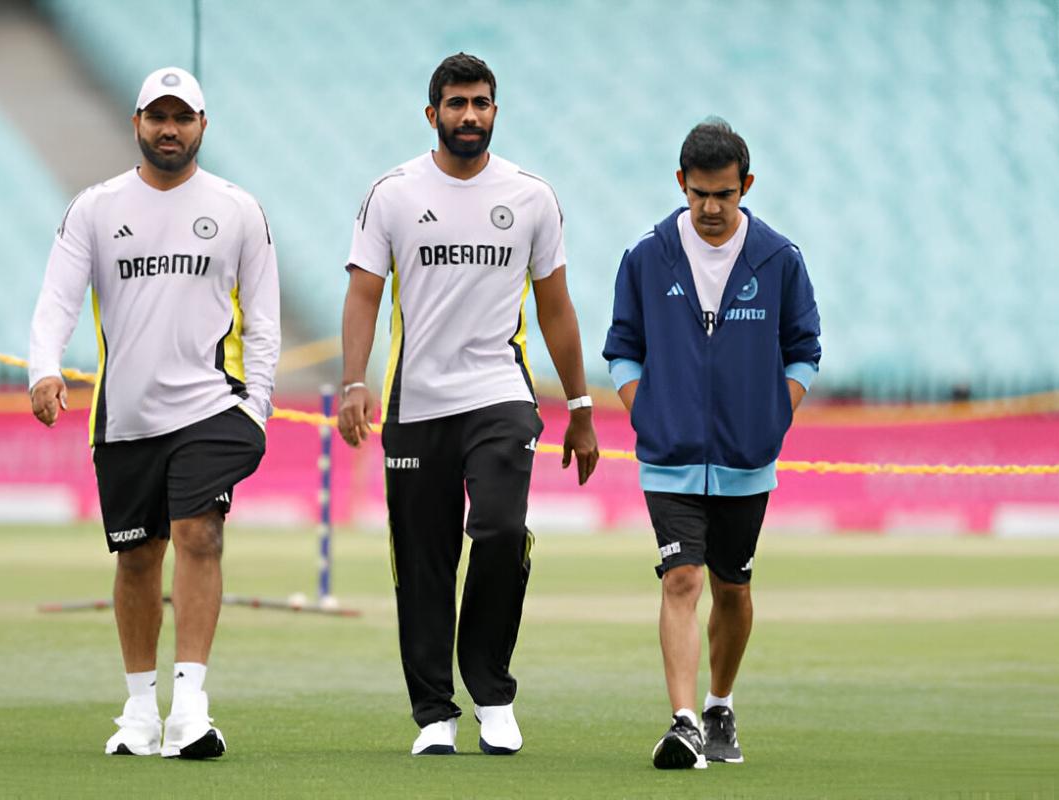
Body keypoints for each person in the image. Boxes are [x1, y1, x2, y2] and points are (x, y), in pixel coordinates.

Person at [337, 53, 599, 757]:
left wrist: (579, 404)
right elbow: (363, 294)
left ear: (495, 112)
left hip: (499, 394)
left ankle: (490, 690)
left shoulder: (533, 196)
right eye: (456, 104)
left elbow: (556, 307)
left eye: (481, 103)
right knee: (424, 561)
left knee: (502, 530)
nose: (470, 115)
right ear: (432, 115)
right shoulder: (390, 194)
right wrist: (354, 381)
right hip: (416, 402)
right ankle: (434, 714)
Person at [27, 66, 280, 760]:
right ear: (136, 122)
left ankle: (190, 709)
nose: (170, 129)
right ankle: (139, 712)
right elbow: (57, 300)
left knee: (200, 534)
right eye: (157, 116)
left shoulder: (237, 208)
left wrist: (255, 406)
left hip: (210, 406)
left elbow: (262, 320)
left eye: (183, 117)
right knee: (137, 556)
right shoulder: (95, 208)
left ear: (203, 125)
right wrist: (44, 368)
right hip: (126, 416)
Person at [603, 118, 821, 769]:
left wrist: (770, 423)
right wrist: (651, 417)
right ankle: (684, 721)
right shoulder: (646, 257)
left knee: (732, 589)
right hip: (667, 461)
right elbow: (621, 349)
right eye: (699, 193)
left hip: (746, 462)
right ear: (681, 184)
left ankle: (720, 703)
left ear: (745, 186)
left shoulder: (779, 260)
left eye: (724, 194)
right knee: (682, 578)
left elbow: (804, 351)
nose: (710, 208)